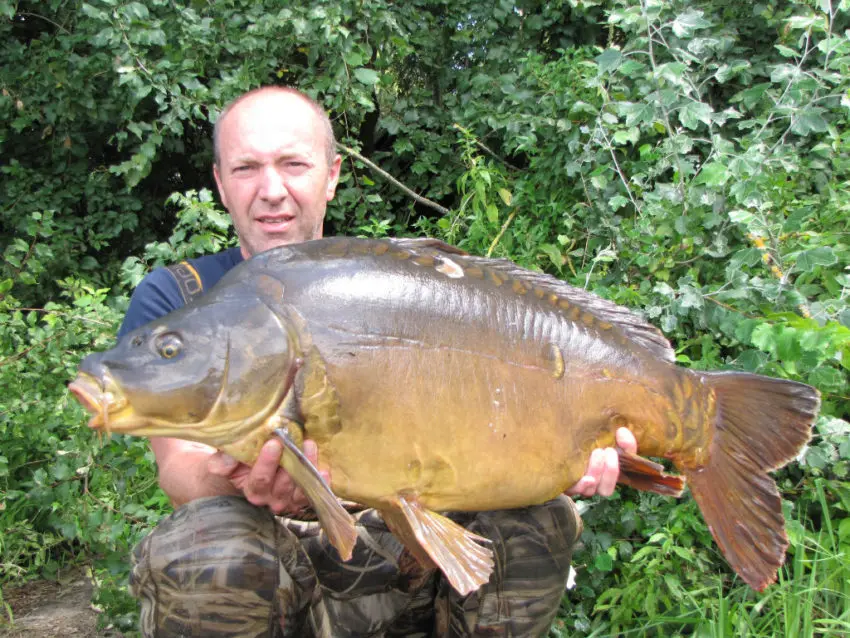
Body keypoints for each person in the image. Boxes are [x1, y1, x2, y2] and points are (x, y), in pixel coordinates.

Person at [121, 86, 638, 637]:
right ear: (221, 183)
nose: (272, 190)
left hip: (403, 551)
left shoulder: (393, 284)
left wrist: (569, 450)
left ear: (332, 174)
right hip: (272, 562)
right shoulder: (181, 301)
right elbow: (178, 469)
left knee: (541, 516)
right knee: (204, 544)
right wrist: (236, 478)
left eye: (294, 164)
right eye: (247, 167)